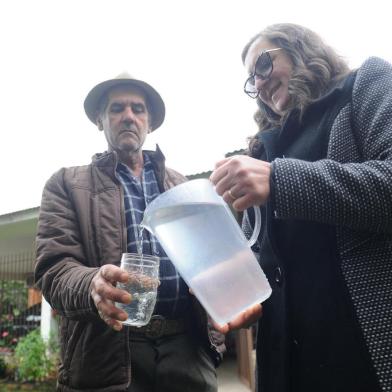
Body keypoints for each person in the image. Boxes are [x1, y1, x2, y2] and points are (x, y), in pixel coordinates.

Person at [210, 23, 392, 392]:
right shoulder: (263, 149)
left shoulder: (363, 85)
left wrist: (278, 180)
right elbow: (256, 252)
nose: (258, 84)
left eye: (263, 65)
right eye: (251, 81)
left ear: (300, 48)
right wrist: (230, 286)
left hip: (357, 349)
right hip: (284, 362)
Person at [34, 73, 224, 392]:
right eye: (116, 108)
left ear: (149, 122)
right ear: (99, 120)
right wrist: (90, 284)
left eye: (138, 109)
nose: (128, 116)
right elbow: (53, 268)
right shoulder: (67, 184)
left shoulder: (185, 188)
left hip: (187, 349)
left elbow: (210, 259)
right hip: (106, 351)